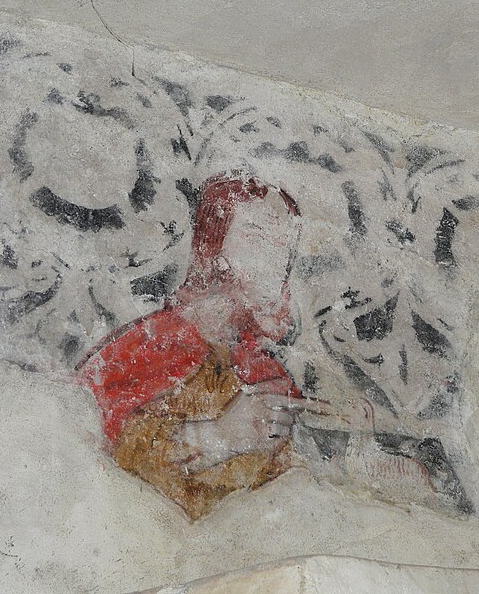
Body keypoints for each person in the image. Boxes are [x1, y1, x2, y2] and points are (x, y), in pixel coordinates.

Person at [77, 171, 318, 520]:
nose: (276, 260)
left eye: (285, 242)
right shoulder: (155, 344)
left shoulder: (261, 368)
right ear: (215, 247)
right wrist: (218, 435)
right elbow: (98, 450)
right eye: (256, 235)